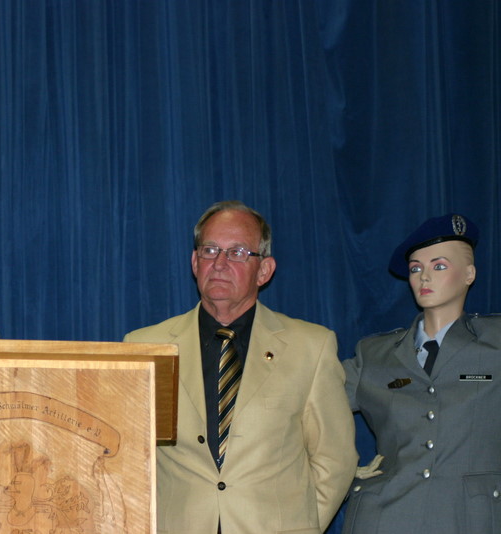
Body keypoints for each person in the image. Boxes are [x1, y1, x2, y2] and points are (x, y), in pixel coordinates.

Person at [124, 200, 357, 534]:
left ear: (264, 270)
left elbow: (335, 459)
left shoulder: (311, 347)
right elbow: (128, 459)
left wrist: (299, 525)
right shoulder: (145, 347)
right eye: (210, 250)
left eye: (237, 253)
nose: (219, 264)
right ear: (195, 262)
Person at [342, 213, 501, 533]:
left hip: (469, 518)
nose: (424, 277)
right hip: (384, 518)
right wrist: (336, 469)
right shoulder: (374, 355)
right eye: (416, 269)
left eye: (439, 266)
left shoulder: (495, 342)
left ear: (469, 274)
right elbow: (304, 405)